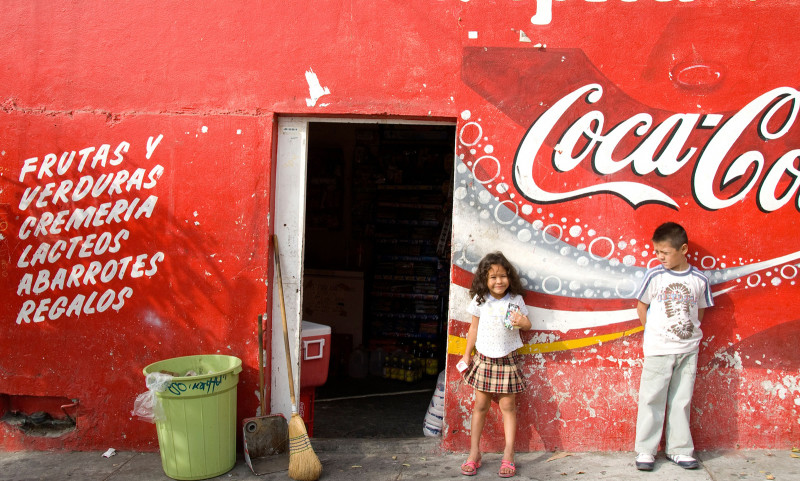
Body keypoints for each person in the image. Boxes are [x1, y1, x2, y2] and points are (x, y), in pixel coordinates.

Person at [633, 222, 713, 471]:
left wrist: (689, 335)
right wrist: (652, 333)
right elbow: (641, 305)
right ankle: (645, 450)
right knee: (651, 398)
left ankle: (679, 449)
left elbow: (699, 311)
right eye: (657, 252)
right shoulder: (655, 275)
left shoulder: (699, 279)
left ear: (683, 249)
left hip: (688, 349)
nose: (659, 257)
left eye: (664, 252)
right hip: (658, 348)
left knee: (681, 399)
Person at [459, 251, 532, 478]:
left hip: (507, 360)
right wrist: (466, 356)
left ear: (509, 277)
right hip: (484, 359)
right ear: (484, 280)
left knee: (508, 407)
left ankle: (509, 454)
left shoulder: (515, 300)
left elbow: (528, 325)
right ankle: (474, 452)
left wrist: (523, 322)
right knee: (480, 406)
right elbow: (473, 329)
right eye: (492, 277)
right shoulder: (480, 300)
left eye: (502, 276)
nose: (498, 281)